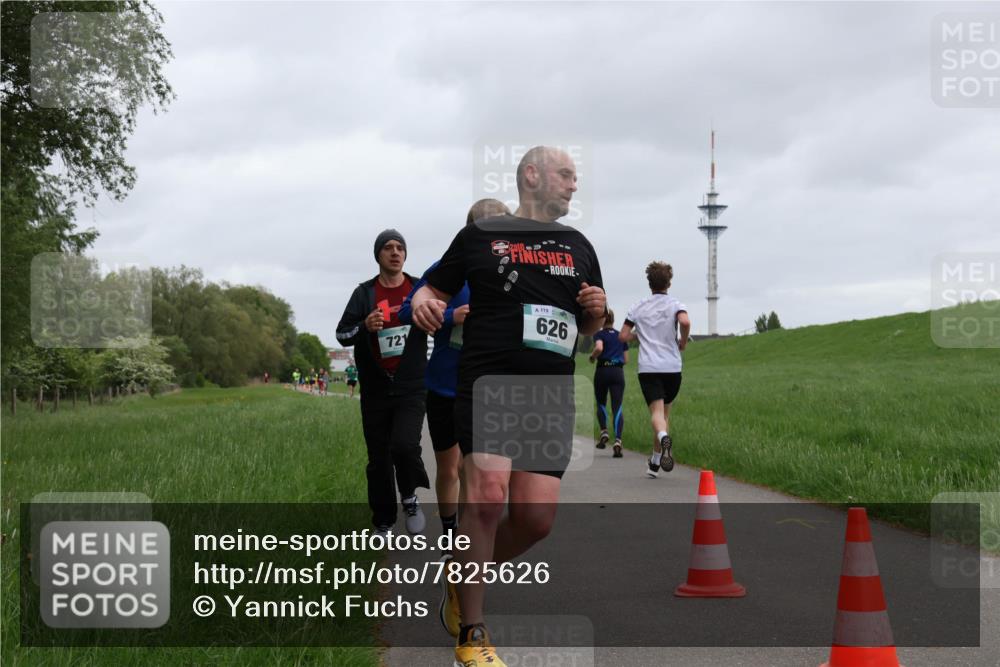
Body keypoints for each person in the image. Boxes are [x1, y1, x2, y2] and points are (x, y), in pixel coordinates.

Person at [410, 146, 606, 667]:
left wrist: (594, 313)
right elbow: (429, 287)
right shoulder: (480, 235)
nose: (573, 185)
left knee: (536, 518)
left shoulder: (579, 246)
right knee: (488, 496)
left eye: (575, 177)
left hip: (548, 392)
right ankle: (472, 634)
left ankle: (460, 573)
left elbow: (586, 328)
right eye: (566, 175)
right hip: (491, 381)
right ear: (531, 174)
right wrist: (424, 302)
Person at [398, 197, 511, 636]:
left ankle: (466, 546)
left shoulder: (510, 274)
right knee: (450, 466)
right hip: (445, 384)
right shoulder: (450, 268)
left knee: (481, 474)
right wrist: (449, 315)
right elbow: (411, 307)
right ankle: (450, 538)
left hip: (492, 388)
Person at [335, 230, 431, 535]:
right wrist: (364, 326)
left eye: (400, 247)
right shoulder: (364, 294)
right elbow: (342, 333)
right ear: (378, 255)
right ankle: (384, 521)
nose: (394, 252)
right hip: (376, 389)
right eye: (388, 248)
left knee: (404, 446)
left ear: (405, 255)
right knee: (378, 459)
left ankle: (410, 497)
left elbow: (440, 319)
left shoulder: (419, 289)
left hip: (412, 385)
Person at [619, 262, 690, 479]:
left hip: (649, 367)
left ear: (649, 282)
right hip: (672, 367)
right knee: (664, 414)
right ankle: (655, 462)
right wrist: (683, 341)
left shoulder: (638, 306)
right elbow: (685, 321)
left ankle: (662, 439)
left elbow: (623, 336)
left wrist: (638, 335)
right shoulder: (675, 303)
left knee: (657, 415)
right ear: (669, 282)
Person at [589, 308, 628, 458]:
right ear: (613, 319)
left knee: (601, 403)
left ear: (602, 320)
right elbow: (626, 359)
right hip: (617, 372)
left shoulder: (599, 334)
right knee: (617, 406)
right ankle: (618, 440)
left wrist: (593, 357)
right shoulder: (620, 336)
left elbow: (599, 347)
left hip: (603, 371)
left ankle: (604, 431)